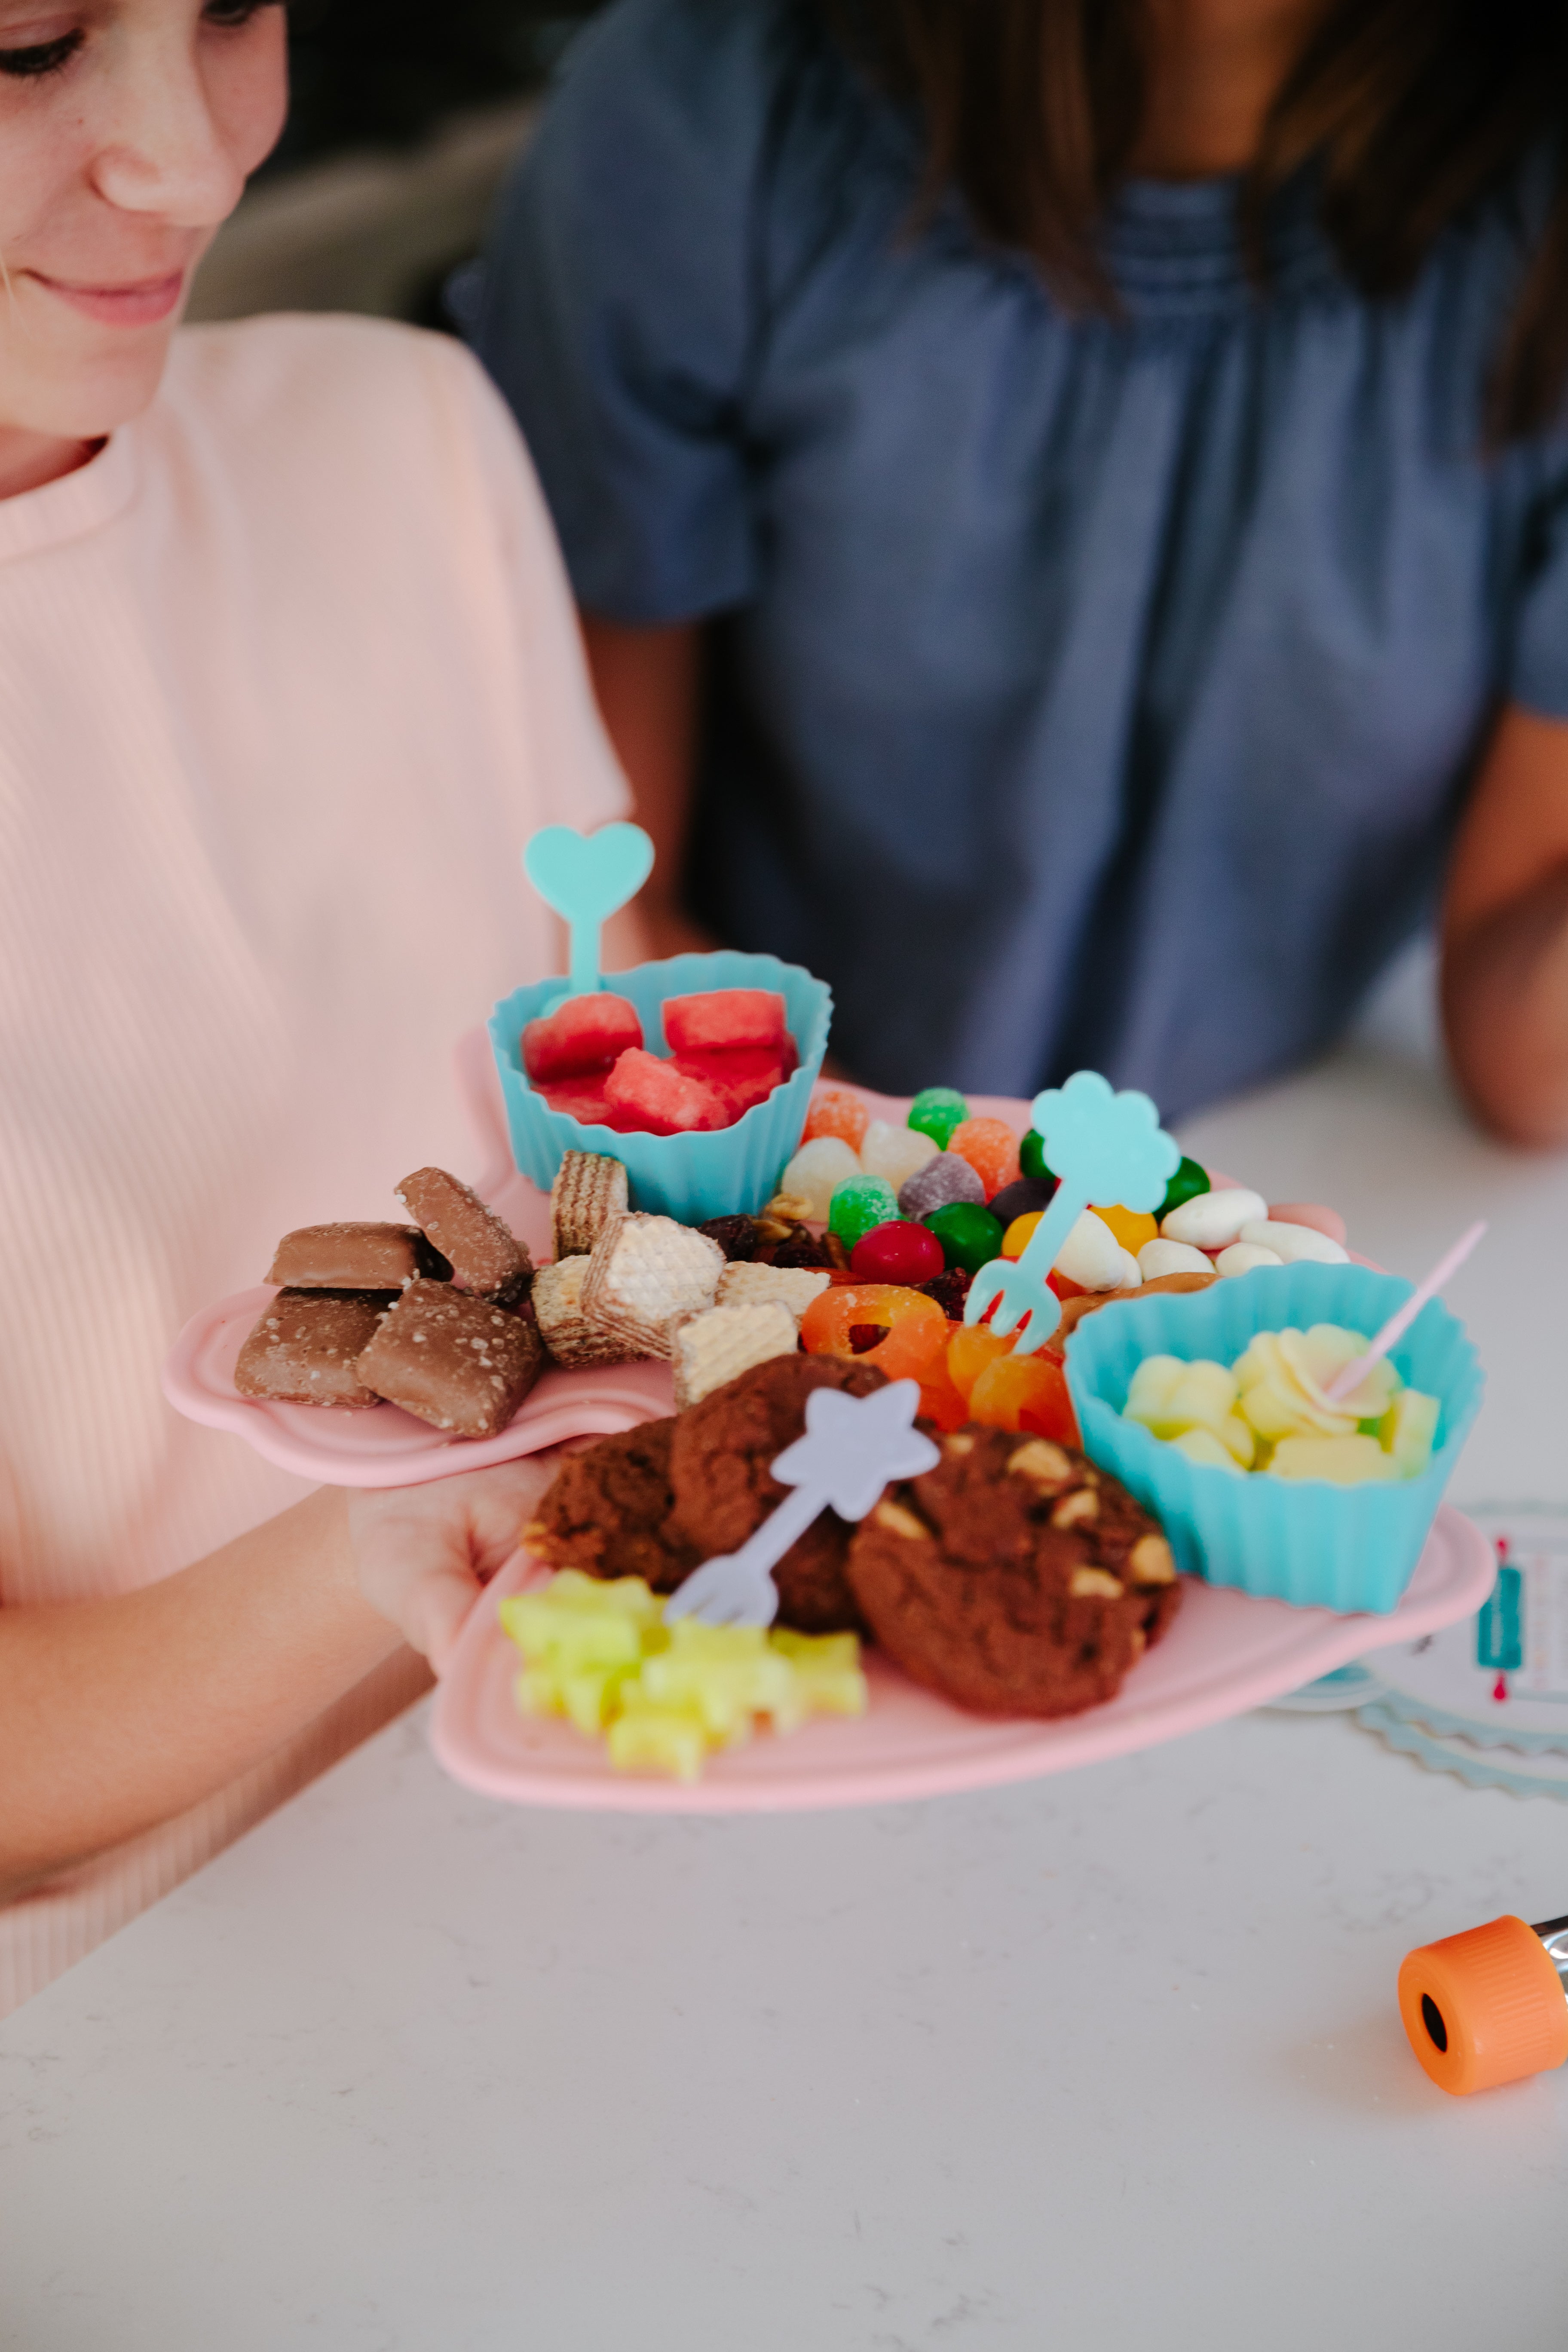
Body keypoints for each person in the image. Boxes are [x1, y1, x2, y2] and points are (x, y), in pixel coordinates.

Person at [0, 0, 637, 2009]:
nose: (188, 160)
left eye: (237, 6)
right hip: (130, 2038)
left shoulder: (406, 436)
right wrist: (400, 1534)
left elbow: (606, 1091)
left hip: (628, 1800)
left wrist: (975, 1202)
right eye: (26, 47)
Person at [472, 0, 1568, 1146]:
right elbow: (590, 910)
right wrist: (911, 1209)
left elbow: (1520, 1053)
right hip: (765, 1154)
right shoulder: (710, 115)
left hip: (1277, 1148)